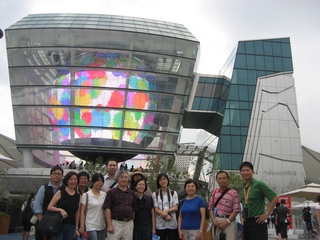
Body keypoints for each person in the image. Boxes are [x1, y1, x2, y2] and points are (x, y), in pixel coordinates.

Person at [239, 161, 279, 240]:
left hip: (257, 221)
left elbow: (275, 197)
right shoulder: (243, 187)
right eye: (243, 171)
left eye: (248, 170)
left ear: (253, 172)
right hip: (246, 222)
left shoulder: (259, 184)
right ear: (240, 173)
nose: (245, 172)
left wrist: (267, 214)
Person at [103, 170, 137, 240]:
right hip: (115, 223)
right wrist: (109, 225)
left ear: (128, 180)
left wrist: (131, 223)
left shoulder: (132, 193)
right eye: (121, 177)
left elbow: (134, 210)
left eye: (126, 177)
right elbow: (107, 209)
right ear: (117, 179)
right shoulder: (112, 192)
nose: (124, 179)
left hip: (128, 224)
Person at [33, 165, 65, 240]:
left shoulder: (65, 188)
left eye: (59, 173)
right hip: (45, 219)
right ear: (50, 175)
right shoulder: (44, 188)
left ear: (62, 176)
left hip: (59, 221)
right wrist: (42, 220)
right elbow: (38, 205)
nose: (56, 175)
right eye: (54, 173)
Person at [208, 170, 241, 240]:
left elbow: (236, 210)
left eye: (224, 178)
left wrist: (227, 222)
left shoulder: (233, 193)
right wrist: (213, 220)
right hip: (216, 222)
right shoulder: (215, 192)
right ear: (217, 180)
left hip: (229, 221)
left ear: (228, 179)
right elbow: (210, 207)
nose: (222, 180)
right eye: (219, 179)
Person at [47, 171, 81, 240]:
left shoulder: (78, 196)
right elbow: (50, 207)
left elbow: (77, 213)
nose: (73, 181)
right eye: (71, 179)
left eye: (75, 179)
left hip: (72, 226)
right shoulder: (61, 192)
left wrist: (76, 228)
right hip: (59, 224)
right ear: (67, 181)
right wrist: (60, 210)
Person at [79, 173, 106, 240]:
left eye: (101, 181)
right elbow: (82, 211)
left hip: (101, 225)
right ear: (93, 182)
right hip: (90, 225)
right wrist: (82, 226)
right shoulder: (86, 195)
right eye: (97, 181)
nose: (100, 183)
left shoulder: (104, 195)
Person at [152, 173, 179, 240]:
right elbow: (156, 209)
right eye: (160, 180)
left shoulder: (173, 193)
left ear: (167, 180)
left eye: (164, 179)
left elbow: (175, 208)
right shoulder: (155, 194)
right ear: (158, 182)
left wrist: (166, 211)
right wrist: (166, 216)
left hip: (172, 223)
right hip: (160, 225)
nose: (163, 181)